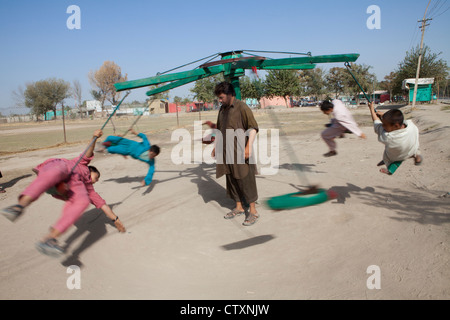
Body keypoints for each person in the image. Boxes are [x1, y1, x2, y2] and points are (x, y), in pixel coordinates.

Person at [1, 129, 126, 257]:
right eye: (97, 176)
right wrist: (94, 137)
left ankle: (49, 239)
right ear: (91, 170)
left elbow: (103, 206)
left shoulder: (89, 190)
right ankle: (18, 206)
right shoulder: (82, 164)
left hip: (68, 186)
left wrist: (115, 219)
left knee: (83, 202)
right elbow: (88, 152)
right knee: (55, 172)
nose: (97, 180)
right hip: (63, 168)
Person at [212, 82, 259, 226]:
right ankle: (238, 207)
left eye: (221, 97)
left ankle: (253, 211)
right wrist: (215, 147)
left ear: (230, 94)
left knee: (245, 179)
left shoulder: (242, 107)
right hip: (226, 152)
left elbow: (253, 128)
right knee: (231, 180)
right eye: (218, 98)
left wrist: (248, 147)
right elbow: (219, 130)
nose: (219, 100)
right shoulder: (222, 110)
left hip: (241, 151)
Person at [368, 102, 422, 175]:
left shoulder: (389, 137)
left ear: (396, 126)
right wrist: (384, 117)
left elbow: (377, 125)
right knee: (414, 147)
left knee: (391, 156)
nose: (383, 126)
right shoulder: (411, 125)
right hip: (412, 148)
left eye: (384, 125)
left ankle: (390, 168)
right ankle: (417, 155)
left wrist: (371, 109)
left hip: (401, 154)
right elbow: (397, 121)